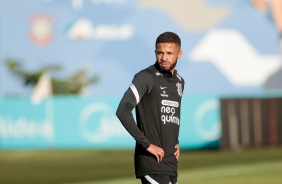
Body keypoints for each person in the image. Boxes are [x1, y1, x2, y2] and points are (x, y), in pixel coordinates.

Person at [116, 32, 184, 184]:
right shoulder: (145, 77)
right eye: (160, 53)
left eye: (169, 53)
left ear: (179, 54)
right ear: (155, 53)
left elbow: (172, 116)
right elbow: (123, 110)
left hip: (170, 163)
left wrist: (176, 142)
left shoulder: (180, 82)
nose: (164, 57)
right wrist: (147, 145)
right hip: (152, 162)